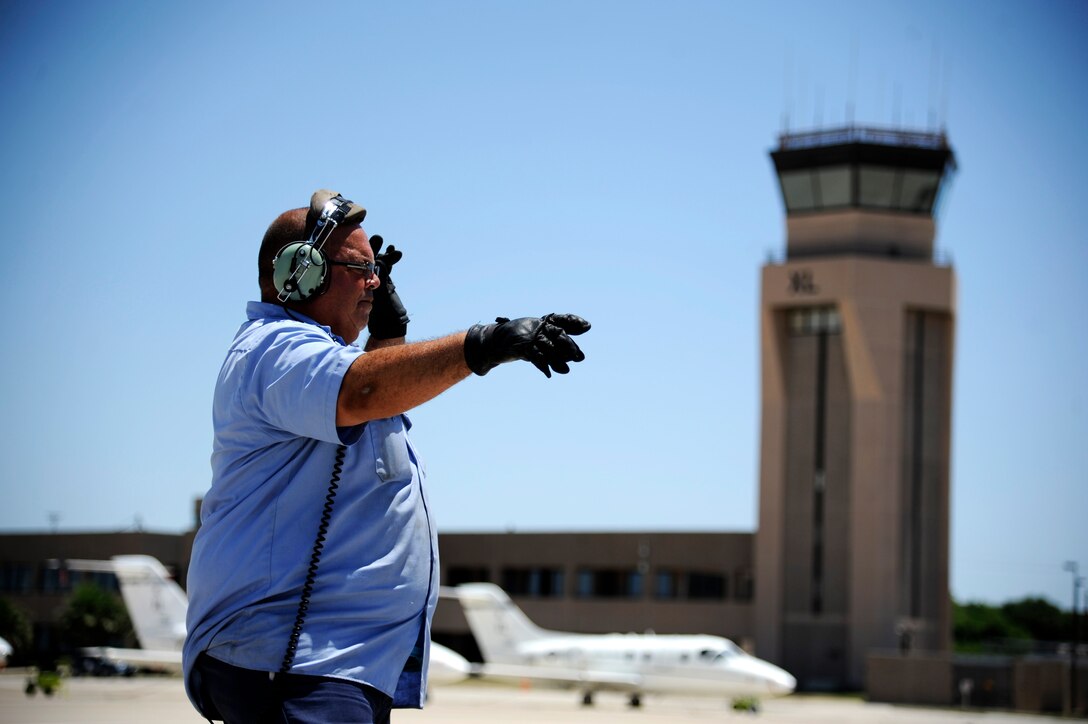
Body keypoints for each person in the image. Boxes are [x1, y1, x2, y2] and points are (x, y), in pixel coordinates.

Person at [182, 190, 590, 723]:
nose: (375, 281)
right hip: (296, 661)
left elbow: (363, 404)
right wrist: (483, 344)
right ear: (298, 273)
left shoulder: (309, 360)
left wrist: (388, 334)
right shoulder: (274, 349)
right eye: (359, 267)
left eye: (376, 269)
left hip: (323, 661)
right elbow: (362, 394)